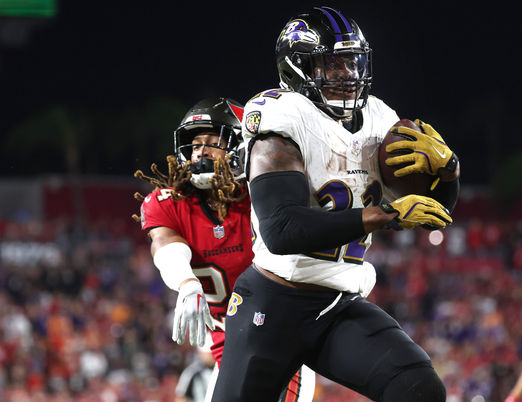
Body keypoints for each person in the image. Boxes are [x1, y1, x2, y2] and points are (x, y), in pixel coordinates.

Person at [212, 6, 460, 402]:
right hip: (274, 303)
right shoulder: (282, 118)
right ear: (298, 68)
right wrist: (384, 215)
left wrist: (448, 172)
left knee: (418, 388)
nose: (347, 75)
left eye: (352, 62)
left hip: (338, 304)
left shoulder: (381, 119)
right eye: (332, 64)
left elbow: (435, 216)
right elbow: (282, 229)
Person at [132, 97, 314, 402]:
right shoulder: (168, 203)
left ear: (241, 146)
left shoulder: (263, 196)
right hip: (227, 346)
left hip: (279, 338)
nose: (200, 151)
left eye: (213, 142)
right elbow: (164, 244)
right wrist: (187, 283)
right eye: (195, 144)